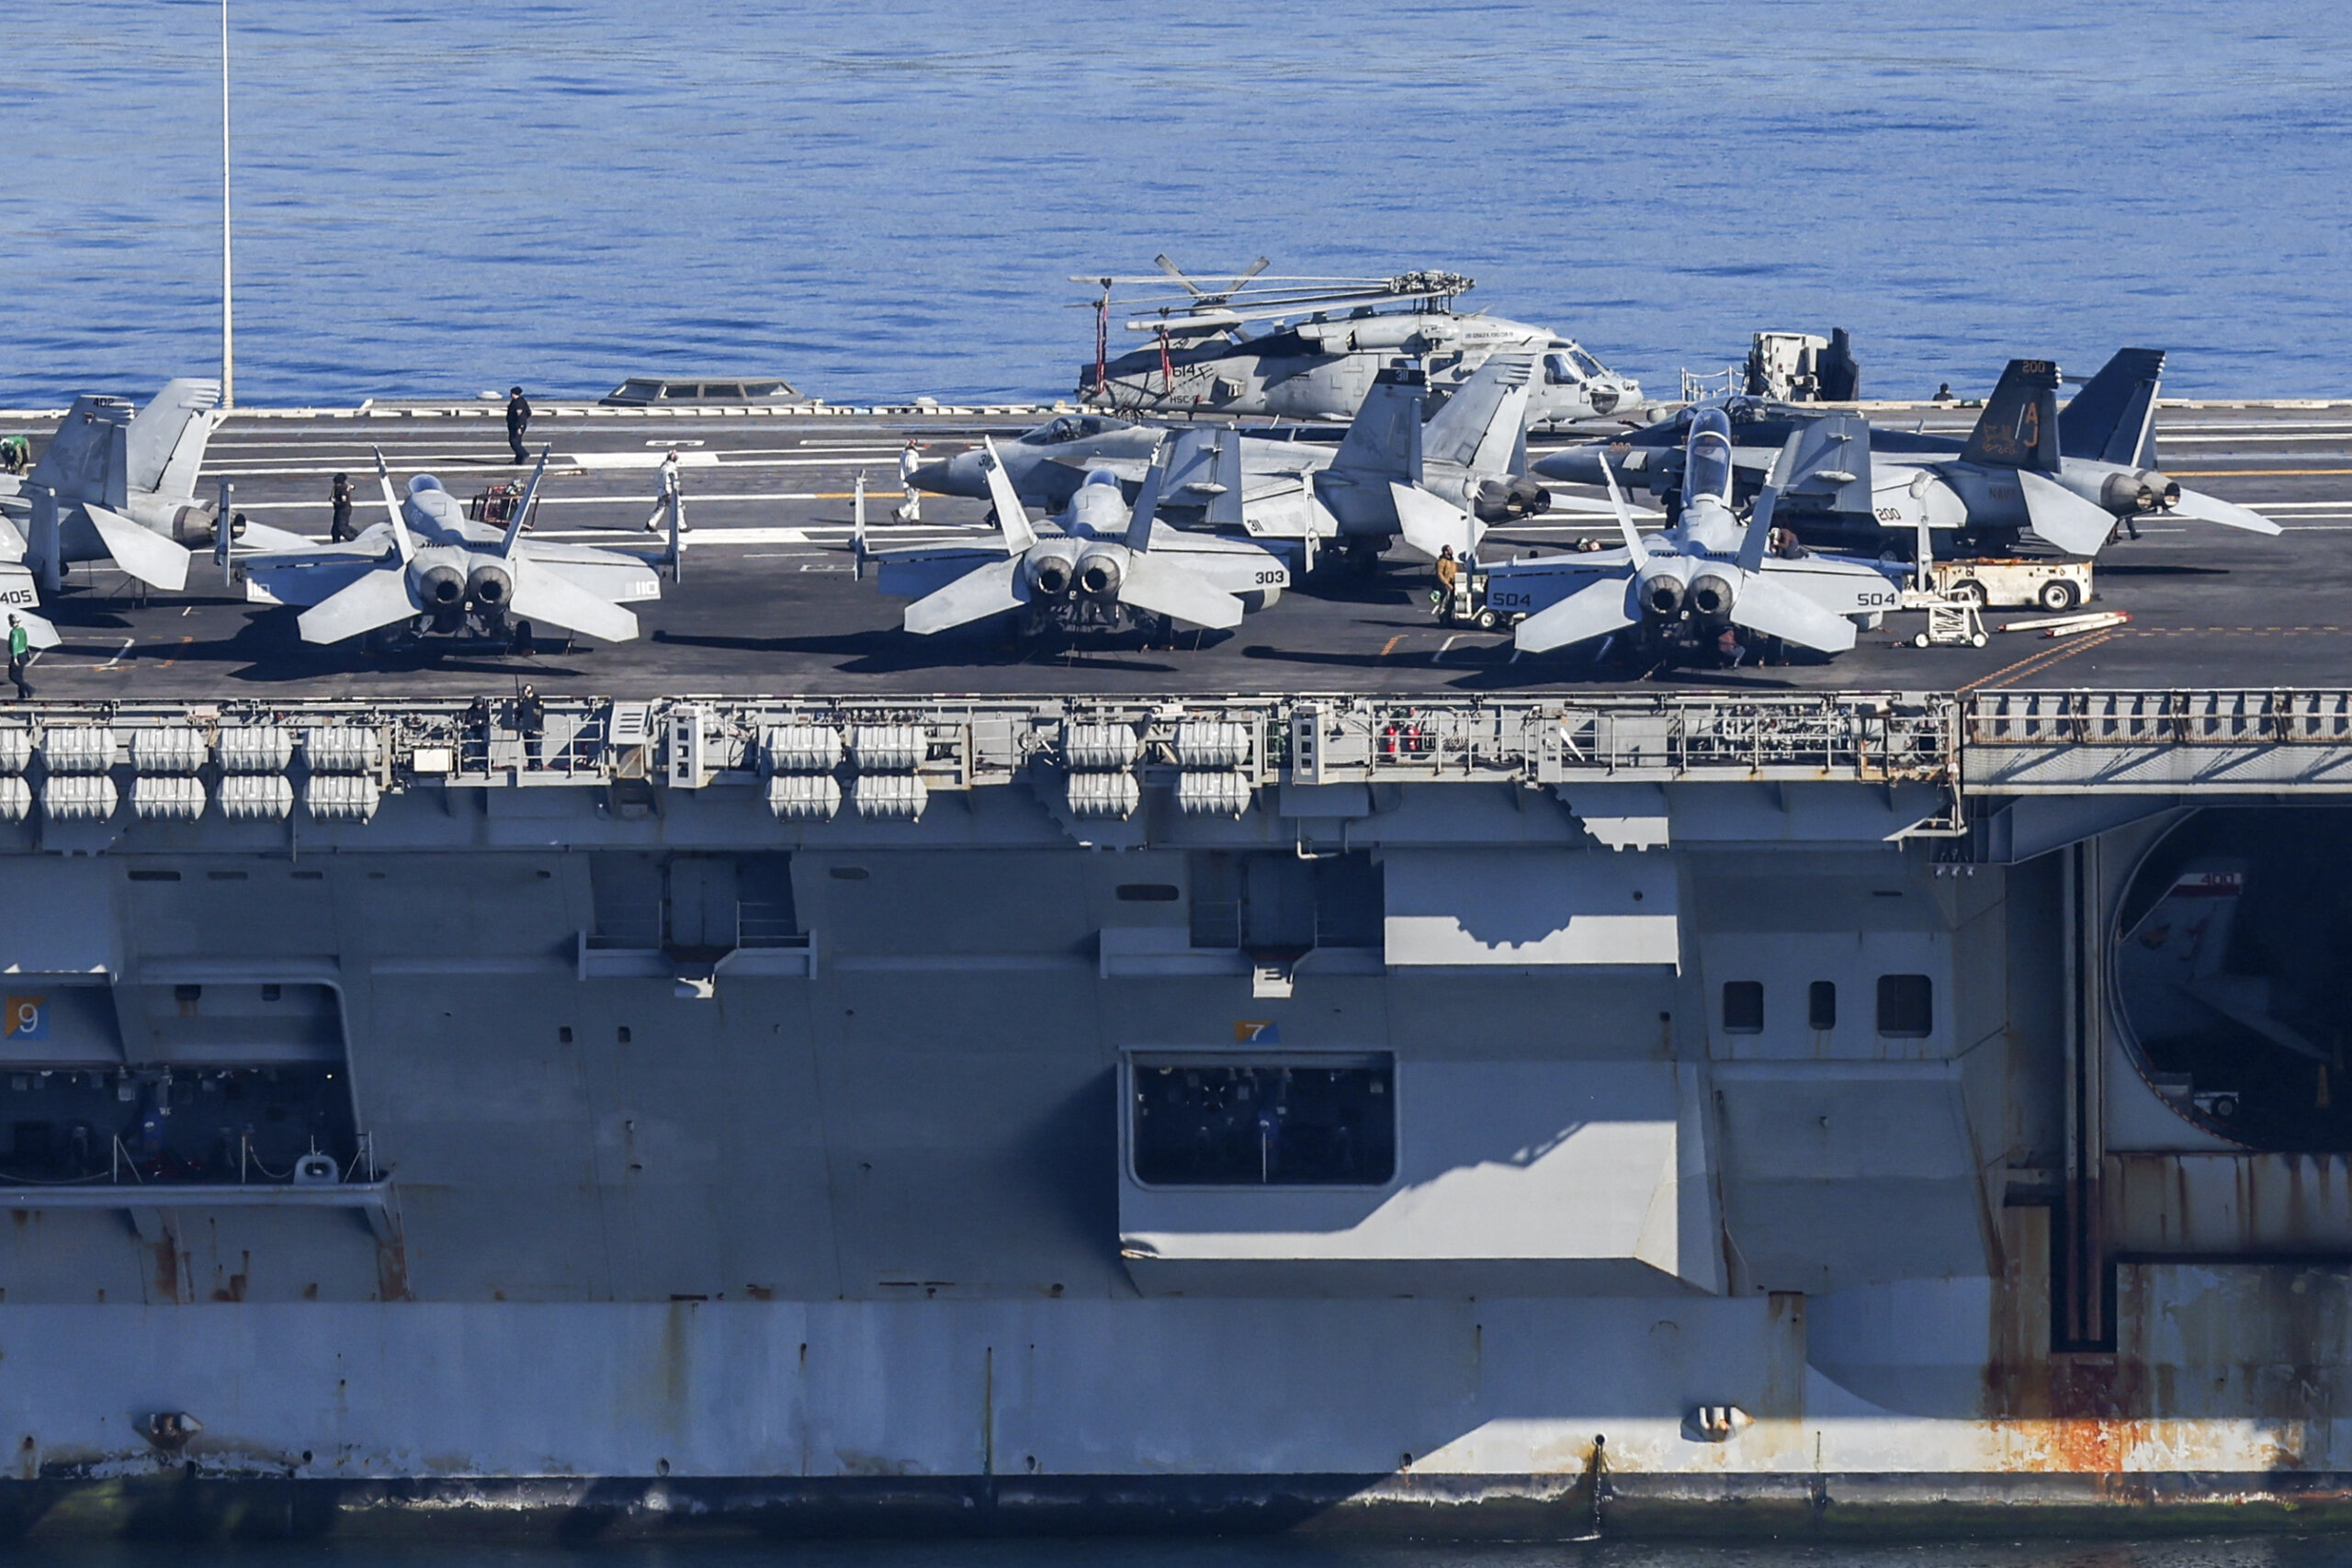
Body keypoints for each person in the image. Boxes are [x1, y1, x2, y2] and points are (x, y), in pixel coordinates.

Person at [645, 448, 682, 533]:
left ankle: (651, 523)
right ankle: (682, 526)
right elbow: (667, 481)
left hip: (664, 491)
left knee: (661, 508)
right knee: (678, 507)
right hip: (667, 492)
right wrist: (669, 493)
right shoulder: (668, 468)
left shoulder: (666, 466)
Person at [515, 684, 546, 772]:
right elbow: (520, 713)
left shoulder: (537, 700)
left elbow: (539, 714)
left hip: (536, 728)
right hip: (526, 728)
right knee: (528, 747)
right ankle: (531, 763)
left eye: (524, 691)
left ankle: (537, 764)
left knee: (536, 747)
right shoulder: (524, 701)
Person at [894, 438, 923, 522]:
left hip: (906, 482)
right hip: (910, 482)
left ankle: (915, 519)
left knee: (914, 501)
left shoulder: (904, 456)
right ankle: (899, 512)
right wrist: (916, 481)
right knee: (913, 502)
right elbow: (912, 470)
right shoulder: (911, 457)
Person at [1431, 545, 1460, 618]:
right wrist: (1447, 584)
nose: (1451, 551)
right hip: (1444, 584)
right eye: (1449, 550)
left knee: (1451, 601)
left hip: (1453, 583)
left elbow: (1455, 571)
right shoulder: (1442, 561)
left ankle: (1448, 616)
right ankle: (1442, 616)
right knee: (1445, 600)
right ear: (1445, 552)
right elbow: (1439, 574)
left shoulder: (1452, 561)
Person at [506, 386, 532, 464]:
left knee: (514, 442)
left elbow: (521, 417)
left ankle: (524, 454)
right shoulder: (517, 401)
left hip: (517, 426)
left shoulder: (519, 404)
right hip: (514, 425)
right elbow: (528, 413)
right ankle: (518, 460)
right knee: (517, 441)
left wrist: (520, 427)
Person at [6, 615, 29, 700]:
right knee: (19, 675)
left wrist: (15, 657)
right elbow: (25, 642)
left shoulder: (14, 632)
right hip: (23, 654)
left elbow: (14, 645)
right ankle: (21, 694)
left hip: (18, 655)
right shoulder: (22, 630)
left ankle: (29, 688)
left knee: (13, 676)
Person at [329, 473, 354, 542]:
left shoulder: (342, 490)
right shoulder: (341, 487)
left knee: (342, 528)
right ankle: (336, 542)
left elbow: (343, 503)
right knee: (335, 530)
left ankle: (354, 538)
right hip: (339, 510)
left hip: (343, 511)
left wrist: (335, 501)